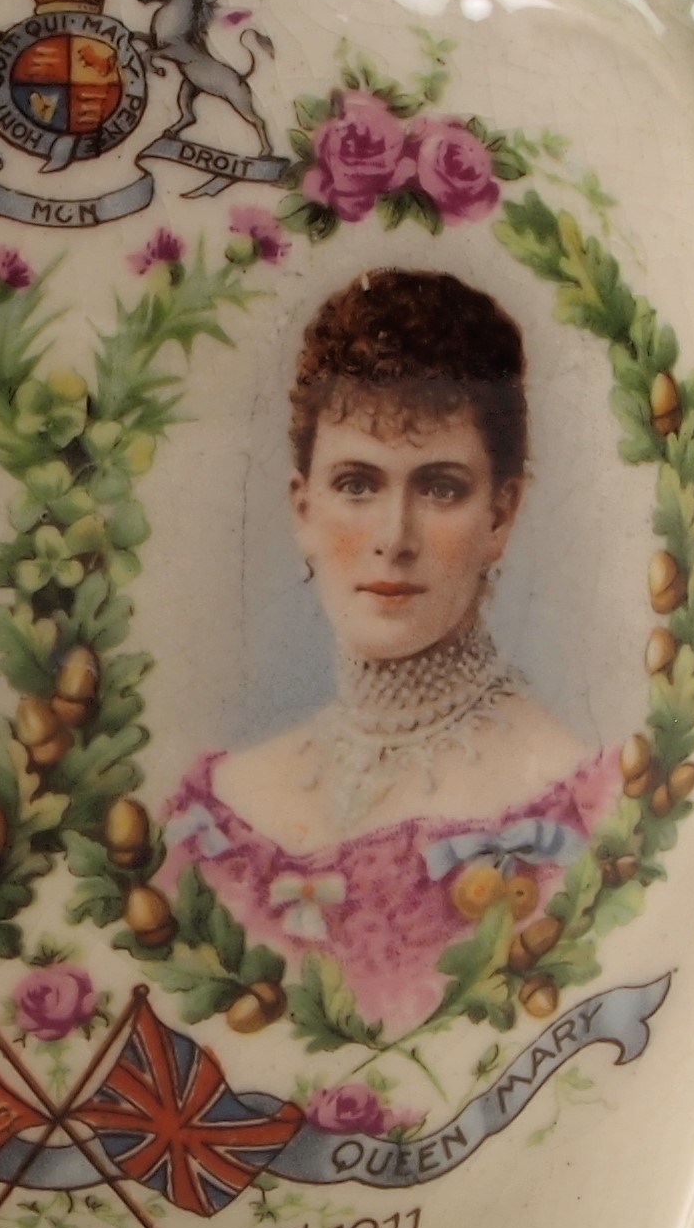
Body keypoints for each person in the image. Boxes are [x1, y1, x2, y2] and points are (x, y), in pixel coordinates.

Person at [160, 268, 619, 1035]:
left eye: (440, 488)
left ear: (501, 515)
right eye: (357, 484)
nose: (393, 538)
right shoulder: (219, 814)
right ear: (303, 510)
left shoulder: (575, 815)